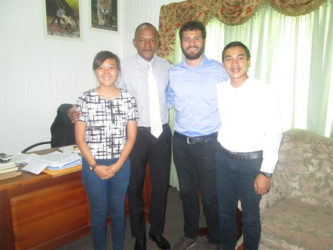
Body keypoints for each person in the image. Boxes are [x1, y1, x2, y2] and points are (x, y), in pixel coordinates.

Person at [167, 20, 229, 249]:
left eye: (196, 38)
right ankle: (190, 234)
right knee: (187, 193)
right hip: (181, 143)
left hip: (209, 144)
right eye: (186, 39)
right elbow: (163, 101)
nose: (191, 43)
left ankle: (215, 237)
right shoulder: (173, 72)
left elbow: (236, 96)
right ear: (181, 42)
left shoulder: (219, 70)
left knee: (212, 196)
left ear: (203, 40)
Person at [215, 41, 282, 249]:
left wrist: (266, 172)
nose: (234, 63)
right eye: (229, 58)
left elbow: (274, 131)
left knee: (250, 218)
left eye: (240, 57)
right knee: (225, 213)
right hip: (223, 161)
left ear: (249, 61)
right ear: (223, 63)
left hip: (252, 165)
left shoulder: (264, 90)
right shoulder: (219, 89)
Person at [75, 51, 138, 250]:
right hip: (93, 165)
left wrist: (117, 165)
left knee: (118, 211)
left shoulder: (128, 98)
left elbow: (131, 137)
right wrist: (95, 166)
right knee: (99, 213)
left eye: (111, 67)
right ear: (95, 71)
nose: (106, 71)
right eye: (101, 67)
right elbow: (80, 138)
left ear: (118, 71)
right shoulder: (85, 99)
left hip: (121, 164)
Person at [118, 23, 172, 250]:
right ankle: (139, 235)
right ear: (134, 42)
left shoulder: (167, 66)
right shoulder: (124, 67)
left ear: (158, 41)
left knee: (161, 186)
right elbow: (113, 96)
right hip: (136, 134)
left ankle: (156, 232)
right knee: (135, 186)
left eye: (152, 40)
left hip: (162, 133)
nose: (148, 44)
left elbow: (171, 94)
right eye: (142, 39)